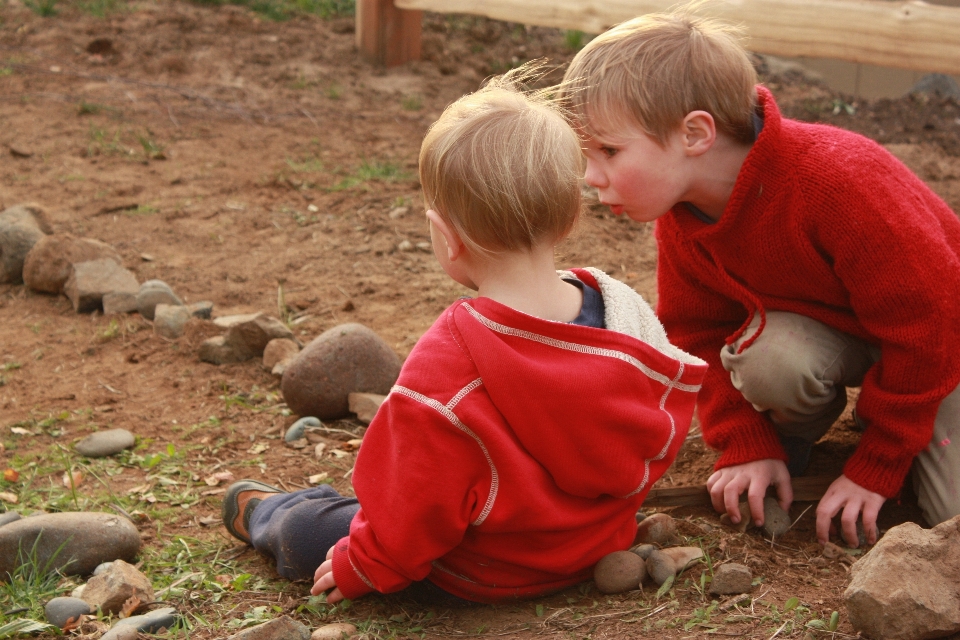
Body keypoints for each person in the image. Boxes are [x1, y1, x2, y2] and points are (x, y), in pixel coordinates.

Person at [220, 70, 707, 605]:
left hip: (482, 569)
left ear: (445, 238)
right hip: (590, 546)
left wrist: (367, 565)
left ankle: (264, 512)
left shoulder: (449, 365)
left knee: (315, 531)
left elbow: (417, 502)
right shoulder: (623, 315)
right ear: (569, 218)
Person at [560, 9, 960, 549]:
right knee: (770, 360)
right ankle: (786, 447)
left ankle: (901, 430)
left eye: (608, 151)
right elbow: (695, 332)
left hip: (945, 345)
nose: (591, 175)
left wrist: (878, 465)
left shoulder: (839, 182)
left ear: (695, 133)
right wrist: (746, 441)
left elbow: (932, 325)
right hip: (858, 335)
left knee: (950, 515)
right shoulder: (684, 216)